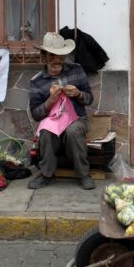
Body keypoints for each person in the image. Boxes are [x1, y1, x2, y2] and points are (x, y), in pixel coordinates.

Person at [28, 32, 96, 190]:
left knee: (73, 131)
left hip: (77, 119)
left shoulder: (76, 70)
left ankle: (83, 175)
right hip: (53, 122)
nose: (57, 60)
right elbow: (36, 115)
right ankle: (47, 176)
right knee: (46, 132)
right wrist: (50, 101)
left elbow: (89, 99)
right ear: (43, 56)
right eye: (52, 55)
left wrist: (78, 94)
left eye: (61, 55)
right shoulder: (37, 81)